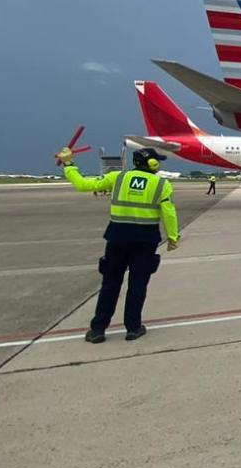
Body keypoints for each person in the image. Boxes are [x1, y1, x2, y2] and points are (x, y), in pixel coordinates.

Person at [57, 146, 179, 343]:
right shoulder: (161, 184)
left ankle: (98, 329)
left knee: (110, 284)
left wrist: (69, 164)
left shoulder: (117, 177)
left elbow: (83, 185)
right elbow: (169, 213)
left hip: (117, 238)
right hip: (145, 241)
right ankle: (133, 327)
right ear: (152, 163)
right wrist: (173, 238)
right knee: (137, 285)